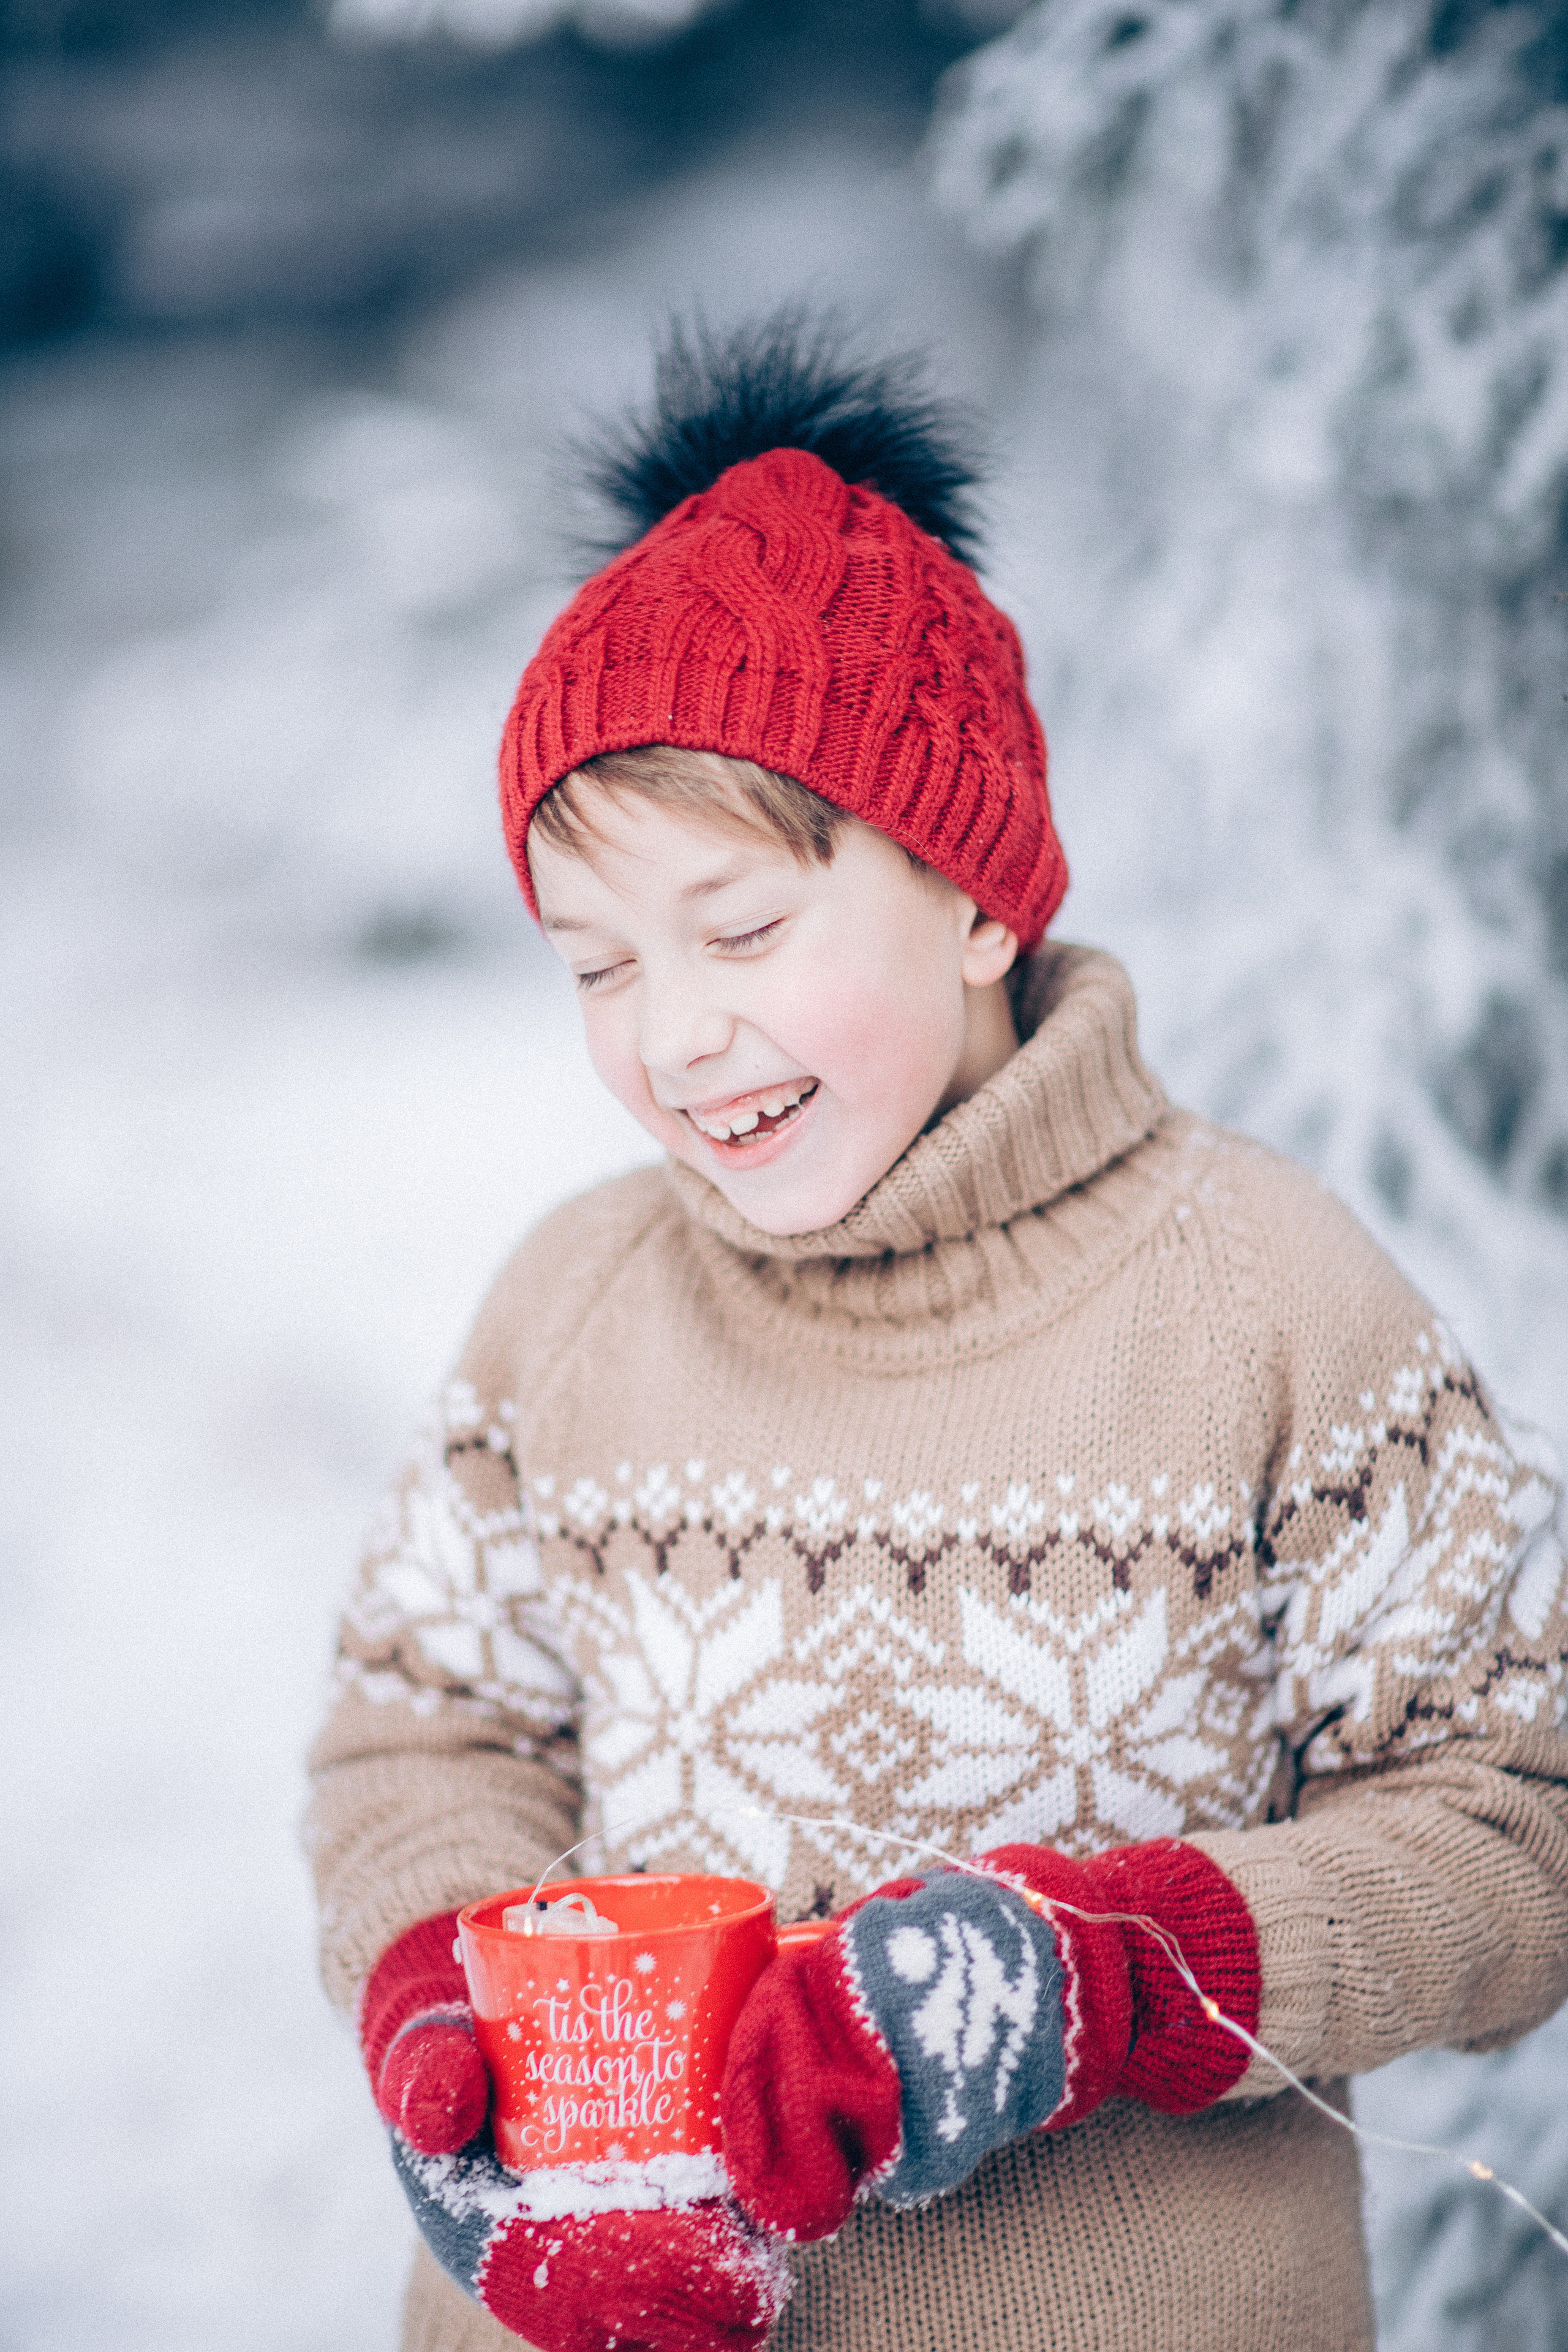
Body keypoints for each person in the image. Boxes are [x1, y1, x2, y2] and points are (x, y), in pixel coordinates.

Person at [306, 318, 1568, 2352]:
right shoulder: (575, 1308)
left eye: (739, 931)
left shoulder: (1266, 1298)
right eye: (598, 965)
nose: (674, 1033)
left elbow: (1514, 1825)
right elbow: (425, 1729)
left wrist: (1115, 1976)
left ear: (977, 895)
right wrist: (442, 1971)